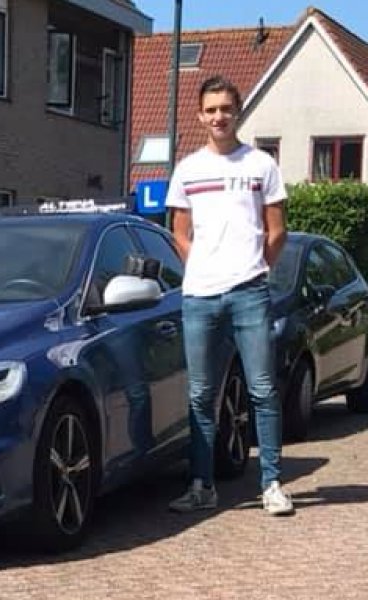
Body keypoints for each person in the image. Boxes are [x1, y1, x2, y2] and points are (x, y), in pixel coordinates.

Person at [166, 75, 294, 516]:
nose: (219, 116)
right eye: (211, 109)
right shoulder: (187, 169)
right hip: (199, 297)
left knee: (262, 389)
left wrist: (255, 268)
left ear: (237, 112)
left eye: (225, 108)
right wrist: (202, 266)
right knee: (201, 395)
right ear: (200, 116)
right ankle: (202, 486)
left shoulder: (261, 165)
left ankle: (272, 484)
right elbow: (179, 233)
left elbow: (277, 231)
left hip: (249, 292)